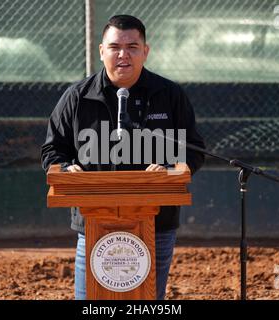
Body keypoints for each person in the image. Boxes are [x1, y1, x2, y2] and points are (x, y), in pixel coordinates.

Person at [41, 14, 205, 300]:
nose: (123, 55)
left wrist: (169, 169)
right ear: (102, 51)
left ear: (146, 51)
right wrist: (67, 169)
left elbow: (193, 149)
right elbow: (52, 150)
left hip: (157, 223)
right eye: (115, 47)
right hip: (93, 222)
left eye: (132, 47)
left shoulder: (169, 95)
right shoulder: (77, 97)